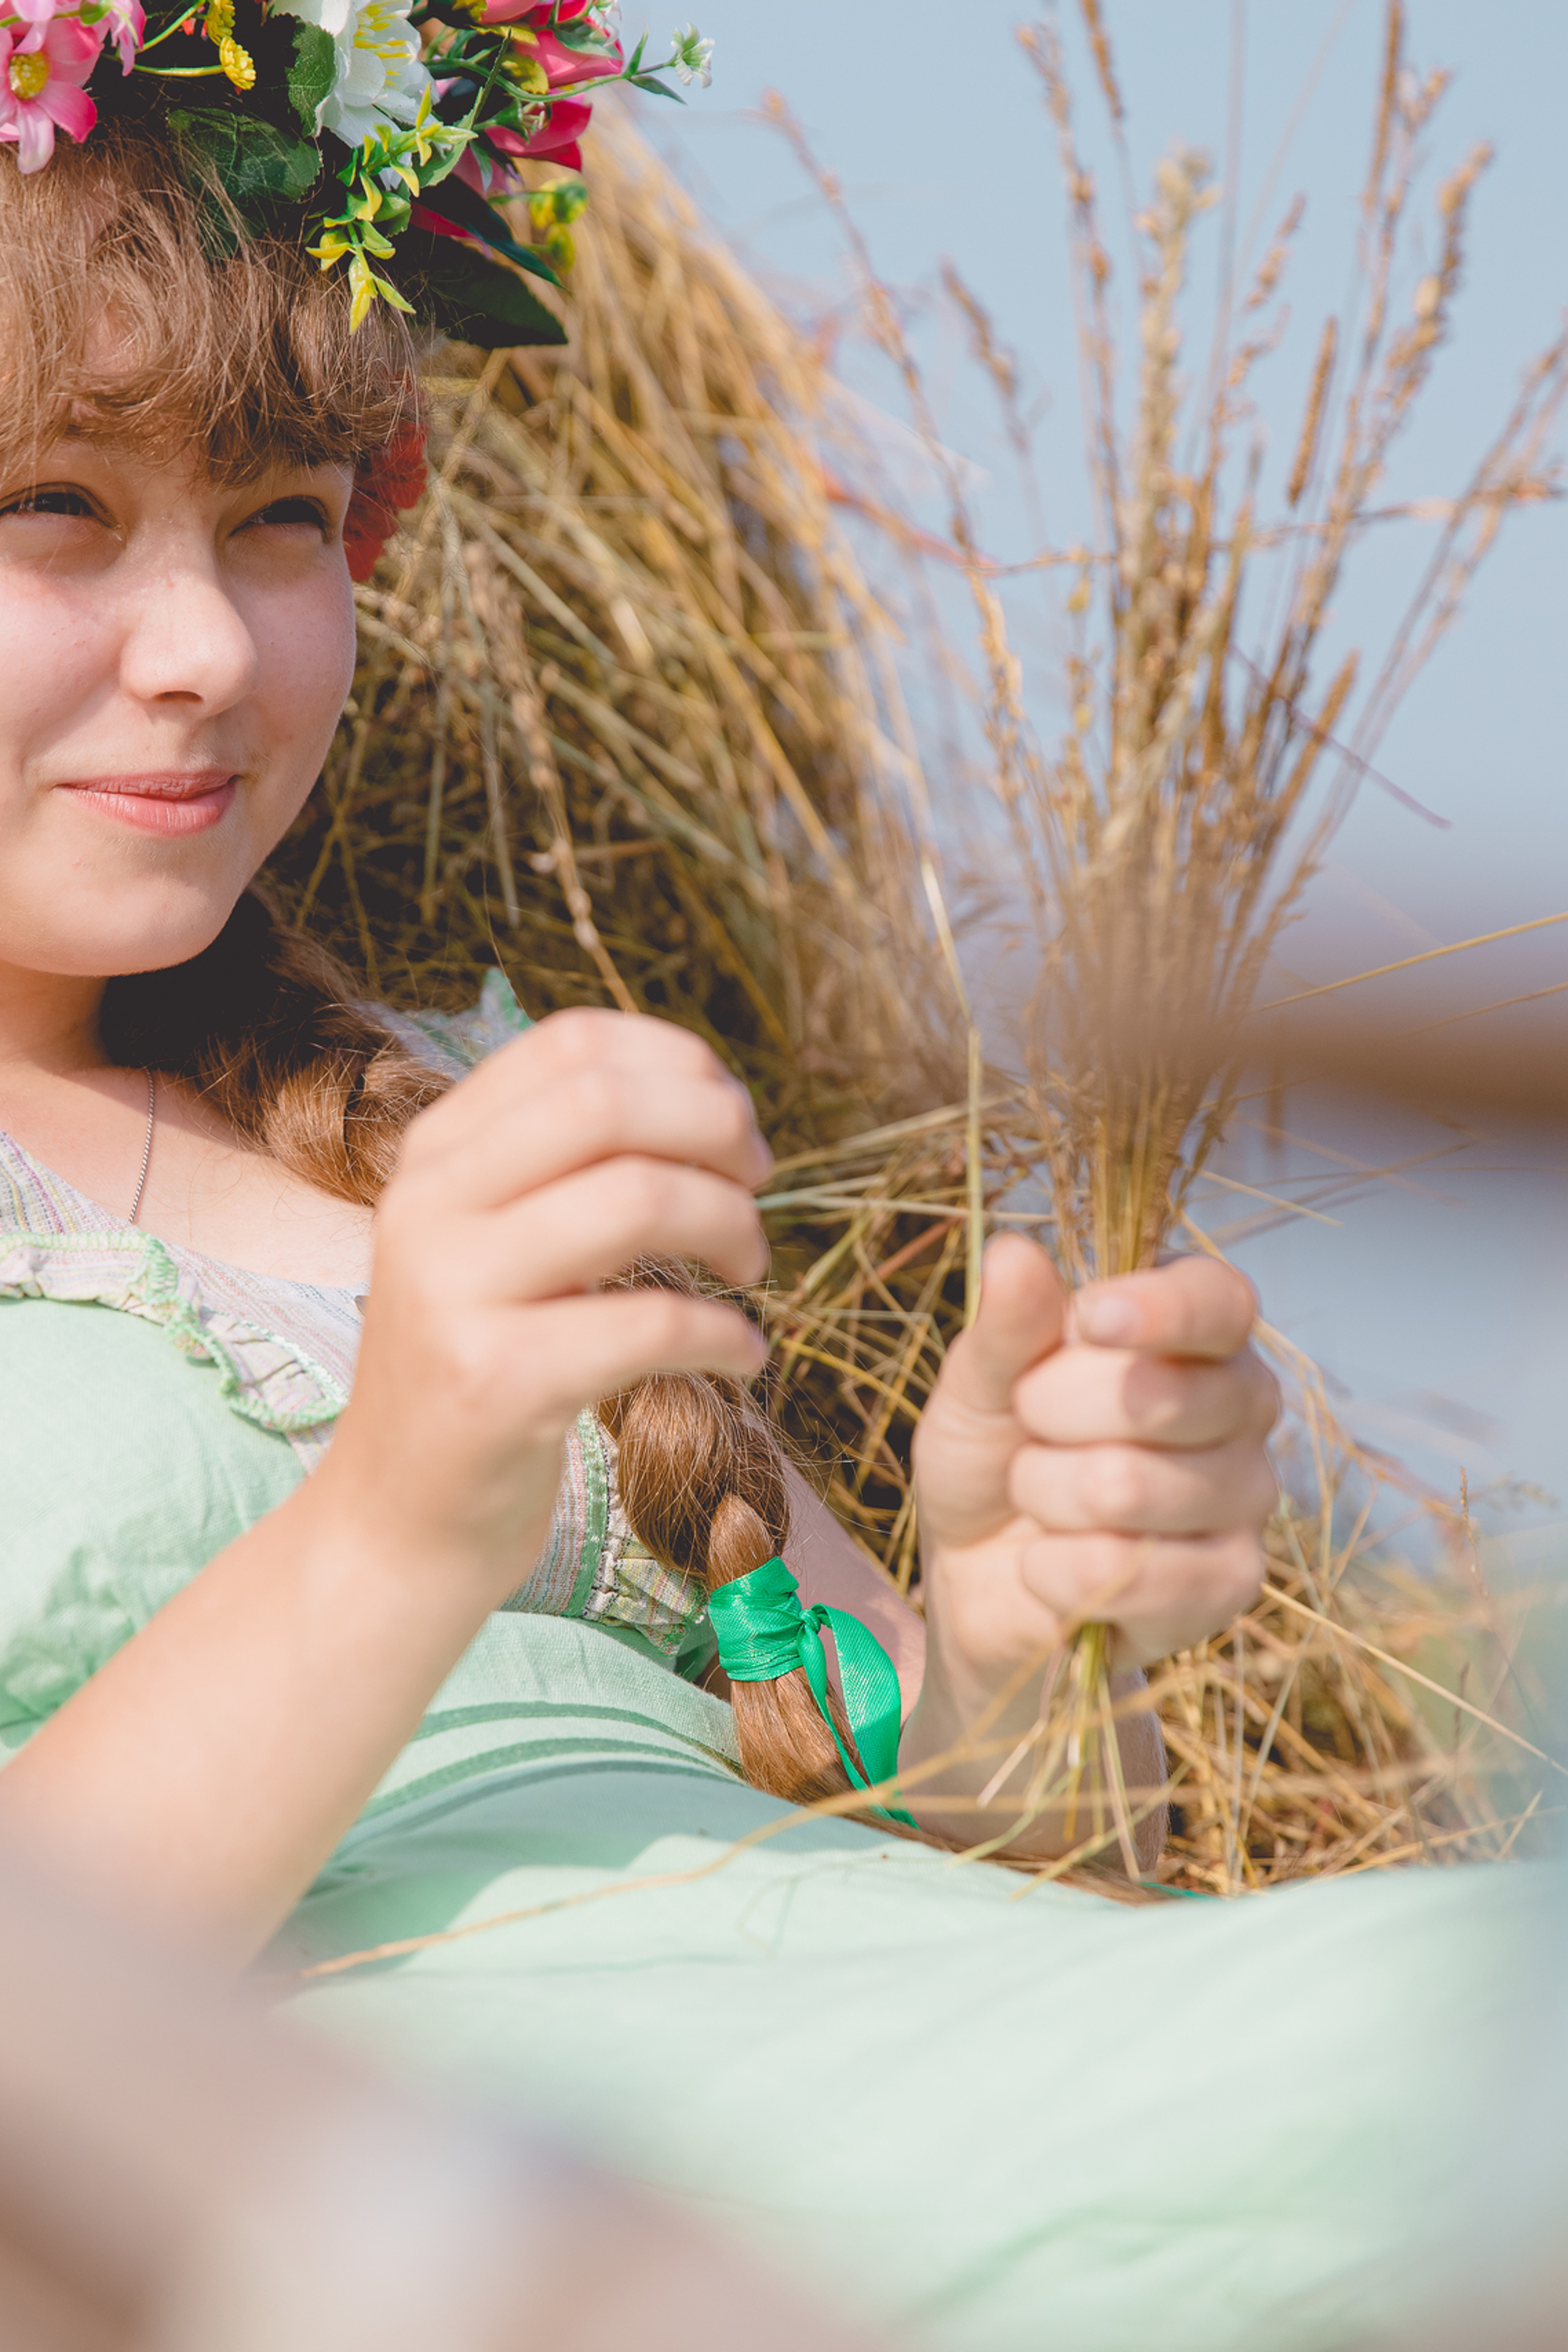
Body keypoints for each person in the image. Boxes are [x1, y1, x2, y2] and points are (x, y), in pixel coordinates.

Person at [0, 61, 1556, 2352]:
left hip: (1031, 2079)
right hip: (518, 2208)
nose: (209, 647)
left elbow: (984, 1866)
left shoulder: (452, 1119)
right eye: (50, 506)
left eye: (279, 520)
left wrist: (1033, 1653)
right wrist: (397, 1520)